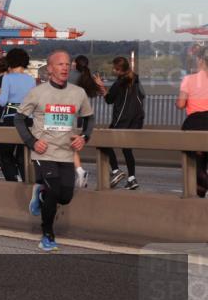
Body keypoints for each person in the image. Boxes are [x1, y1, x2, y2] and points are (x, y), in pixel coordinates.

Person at [16, 50, 94, 251]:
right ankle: (47, 235)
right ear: (50, 69)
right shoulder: (37, 93)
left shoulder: (78, 93)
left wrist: (84, 137)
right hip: (43, 152)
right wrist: (32, 142)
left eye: (68, 64)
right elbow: (19, 119)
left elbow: (89, 118)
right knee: (53, 190)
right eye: (60, 64)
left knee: (65, 196)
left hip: (66, 152)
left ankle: (39, 191)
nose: (65, 67)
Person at [101, 56, 145, 189]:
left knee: (103, 142)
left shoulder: (119, 83)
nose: (113, 70)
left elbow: (109, 99)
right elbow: (142, 95)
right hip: (137, 120)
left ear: (118, 69)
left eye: (114, 68)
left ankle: (116, 171)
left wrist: (102, 88)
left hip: (121, 120)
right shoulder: (136, 79)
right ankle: (132, 179)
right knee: (127, 149)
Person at [0, 48, 34, 182]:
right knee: (23, 156)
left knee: (5, 154)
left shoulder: (7, 78)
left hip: (11, 119)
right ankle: (27, 183)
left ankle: (13, 179)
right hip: (28, 119)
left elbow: (2, 102)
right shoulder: (31, 80)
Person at [69, 55, 106, 188]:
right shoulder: (86, 76)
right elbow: (100, 93)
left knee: (62, 142)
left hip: (63, 111)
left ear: (74, 63)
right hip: (77, 113)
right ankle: (79, 171)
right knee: (68, 143)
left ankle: (78, 172)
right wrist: (100, 84)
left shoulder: (70, 75)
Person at [177, 44, 208, 197]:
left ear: (200, 60)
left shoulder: (189, 79)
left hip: (195, 123)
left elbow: (181, 104)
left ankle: (200, 195)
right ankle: (201, 194)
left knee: (197, 163)